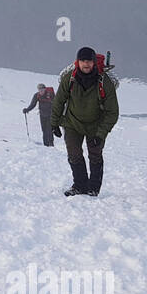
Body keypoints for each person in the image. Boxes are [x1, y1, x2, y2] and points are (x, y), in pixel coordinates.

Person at [50, 46, 119, 197]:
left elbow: (112, 112)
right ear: (77, 62)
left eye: (89, 61)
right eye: (82, 61)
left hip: (96, 125)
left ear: (94, 62)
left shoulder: (103, 82)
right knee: (74, 154)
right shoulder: (70, 78)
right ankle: (80, 185)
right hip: (73, 123)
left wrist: (101, 134)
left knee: (95, 155)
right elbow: (59, 101)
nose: (85, 64)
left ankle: (93, 188)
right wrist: (54, 123)